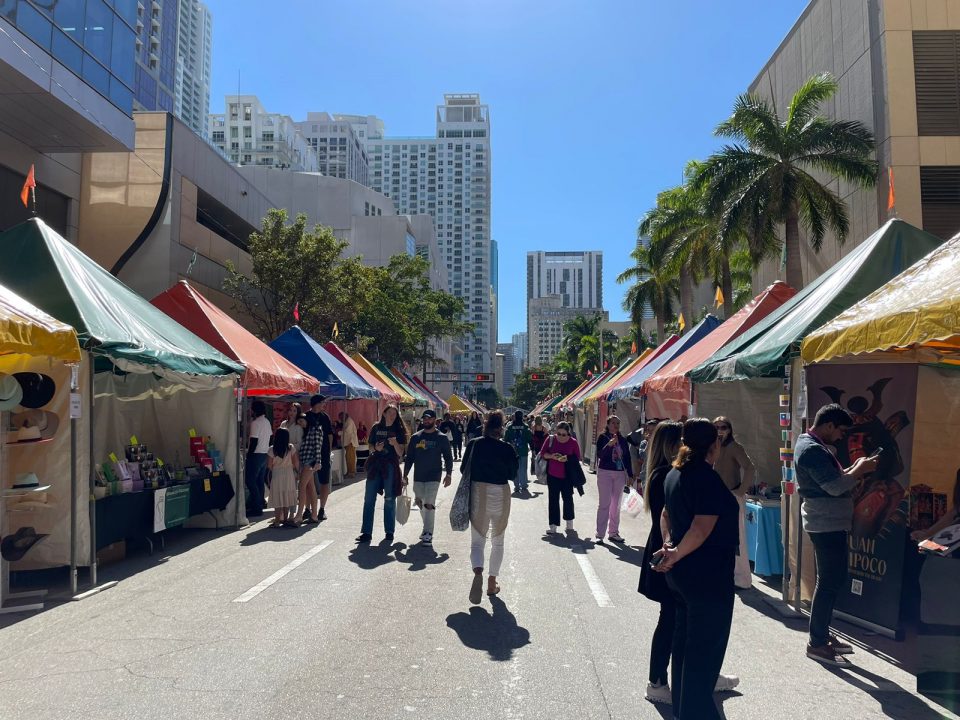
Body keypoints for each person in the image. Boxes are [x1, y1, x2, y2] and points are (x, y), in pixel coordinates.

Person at [653, 418, 741, 719]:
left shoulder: (675, 474)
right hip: (707, 576)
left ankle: (684, 709)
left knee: (685, 646)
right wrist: (674, 552)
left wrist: (669, 547)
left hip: (684, 576)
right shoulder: (704, 477)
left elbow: (666, 515)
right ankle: (697, 713)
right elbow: (701, 528)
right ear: (714, 445)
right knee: (703, 652)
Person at [796, 403, 877, 666]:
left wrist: (853, 469)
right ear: (828, 425)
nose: (842, 436)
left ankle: (821, 635)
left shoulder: (812, 445)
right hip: (825, 523)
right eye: (841, 430)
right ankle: (817, 642)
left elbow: (834, 479)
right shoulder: (811, 449)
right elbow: (834, 486)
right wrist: (859, 470)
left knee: (831, 581)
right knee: (829, 582)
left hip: (828, 522)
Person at [638, 421, 683, 704]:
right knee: (670, 618)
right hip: (668, 551)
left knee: (674, 617)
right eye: (680, 441)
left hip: (664, 547)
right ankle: (657, 679)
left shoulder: (659, 474)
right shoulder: (667, 475)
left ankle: (677, 675)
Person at [462, 410, 518, 603]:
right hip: (500, 494)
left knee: (477, 542)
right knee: (498, 541)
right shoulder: (507, 448)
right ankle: (492, 582)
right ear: (501, 427)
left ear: (484, 425)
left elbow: (463, 470)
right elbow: (512, 474)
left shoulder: (474, 444)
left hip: (479, 493)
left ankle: (478, 571)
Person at [712, 416, 757, 590]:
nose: (719, 430)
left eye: (723, 427)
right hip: (718, 497)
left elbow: (750, 467)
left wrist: (741, 491)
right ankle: (728, 574)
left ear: (729, 429)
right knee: (721, 538)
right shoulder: (714, 447)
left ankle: (742, 578)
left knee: (737, 538)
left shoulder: (733, 447)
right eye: (715, 427)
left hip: (732, 496)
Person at [357, 405, 407, 543]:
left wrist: (395, 443)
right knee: (369, 499)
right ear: (384, 413)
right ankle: (366, 532)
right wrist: (376, 448)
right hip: (375, 465)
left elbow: (400, 453)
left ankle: (389, 532)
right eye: (390, 412)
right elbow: (370, 446)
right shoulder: (376, 428)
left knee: (390, 499)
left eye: (394, 413)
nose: (392, 415)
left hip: (390, 465)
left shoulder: (399, 430)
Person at [403, 409, 454, 546]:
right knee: (420, 502)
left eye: (430, 419)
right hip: (419, 476)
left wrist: (448, 474)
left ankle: (428, 533)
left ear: (435, 420)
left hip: (434, 476)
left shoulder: (441, 437)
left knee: (429, 503)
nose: (427, 421)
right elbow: (409, 458)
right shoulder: (416, 437)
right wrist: (405, 475)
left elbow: (448, 458)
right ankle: (426, 528)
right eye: (425, 419)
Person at [595, 415, 634, 543]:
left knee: (616, 505)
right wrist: (609, 445)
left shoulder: (622, 440)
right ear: (608, 424)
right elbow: (600, 455)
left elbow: (627, 458)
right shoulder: (603, 437)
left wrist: (630, 474)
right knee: (604, 503)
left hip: (619, 474)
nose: (616, 425)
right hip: (605, 472)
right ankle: (600, 534)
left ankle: (613, 532)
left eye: (618, 423)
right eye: (613, 423)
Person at [539, 421, 581, 535]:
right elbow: (543, 453)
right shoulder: (551, 439)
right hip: (553, 475)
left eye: (564, 434)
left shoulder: (573, 442)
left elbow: (578, 458)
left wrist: (567, 458)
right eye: (559, 433)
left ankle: (569, 523)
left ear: (569, 434)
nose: (561, 436)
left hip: (567, 476)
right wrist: (552, 456)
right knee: (553, 500)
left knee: (568, 499)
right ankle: (553, 526)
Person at [294, 395, 331, 526]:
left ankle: (320, 509)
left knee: (322, 482)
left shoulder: (324, 418)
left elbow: (329, 436)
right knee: (310, 486)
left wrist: (326, 454)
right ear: (316, 403)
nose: (324, 405)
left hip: (319, 455)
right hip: (308, 455)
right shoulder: (307, 416)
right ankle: (310, 511)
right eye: (322, 403)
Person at [267, 428, 299, 528]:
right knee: (286, 495)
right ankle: (285, 519)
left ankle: (277, 520)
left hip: (277, 473)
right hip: (289, 473)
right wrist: (295, 470)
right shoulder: (291, 448)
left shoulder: (272, 449)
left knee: (278, 496)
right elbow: (296, 462)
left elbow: (269, 465)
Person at [246, 400, 272, 517]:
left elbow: (254, 441)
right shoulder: (266, 422)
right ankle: (260, 503)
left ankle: (256, 506)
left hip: (256, 454)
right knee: (259, 481)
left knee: (250, 481)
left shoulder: (256, 423)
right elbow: (270, 438)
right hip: (264, 454)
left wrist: (249, 454)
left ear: (254, 410)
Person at [279, 403, 304, 519]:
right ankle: (283, 513)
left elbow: (299, 444)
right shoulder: (283, 424)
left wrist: (289, 446)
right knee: (282, 487)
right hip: (281, 459)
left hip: (293, 458)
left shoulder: (298, 427)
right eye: (290, 410)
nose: (292, 412)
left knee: (293, 488)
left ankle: (292, 513)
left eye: (294, 410)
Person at [504, 410, 534, 495]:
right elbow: (530, 439)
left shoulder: (510, 427)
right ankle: (523, 485)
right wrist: (533, 449)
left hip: (513, 452)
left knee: (515, 468)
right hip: (523, 451)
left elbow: (506, 439)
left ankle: (516, 486)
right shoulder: (525, 427)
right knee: (523, 468)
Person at [340, 411, 359, 478]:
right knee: (348, 458)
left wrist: (339, 432)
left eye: (341, 417)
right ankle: (349, 472)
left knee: (351, 458)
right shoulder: (347, 421)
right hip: (348, 443)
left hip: (350, 442)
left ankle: (352, 472)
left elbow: (348, 432)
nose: (340, 419)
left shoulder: (349, 421)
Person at [530, 416, 549, 481]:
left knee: (536, 460)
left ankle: (537, 472)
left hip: (536, 446)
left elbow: (532, 437)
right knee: (542, 459)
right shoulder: (544, 428)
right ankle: (542, 472)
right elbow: (547, 436)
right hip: (543, 446)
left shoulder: (533, 428)